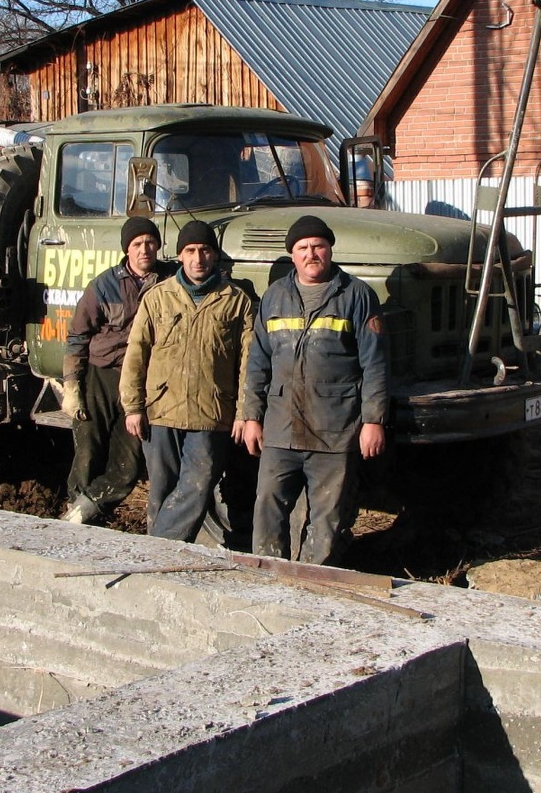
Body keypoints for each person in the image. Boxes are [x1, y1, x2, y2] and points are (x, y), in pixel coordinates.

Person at [242, 215, 389, 565]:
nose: (311, 254)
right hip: (280, 428)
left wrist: (374, 421)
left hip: (333, 430)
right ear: (292, 255)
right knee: (268, 505)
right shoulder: (275, 296)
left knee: (328, 518)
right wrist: (251, 417)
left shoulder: (356, 296)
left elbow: (375, 364)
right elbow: (258, 362)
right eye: (302, 248)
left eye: (318, 246)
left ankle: (313, 581)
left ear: (330, 250)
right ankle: (268, 574)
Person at [121, 219, 254, 542]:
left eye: (205, 250)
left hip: (212, 413)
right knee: (162, 491)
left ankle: (157, 549)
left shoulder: (236, 301)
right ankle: (164, 564)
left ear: (215, 255)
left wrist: (243, 413)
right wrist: (133, 406)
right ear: (180, 256)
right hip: (162, 410)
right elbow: (136, 354)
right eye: (190, 251)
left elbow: (248, 364)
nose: (198, 258)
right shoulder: (157, 298)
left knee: (198, 484)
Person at [60, 217, 174, 524]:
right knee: (88, 450)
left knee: (128, 463)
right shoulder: (103, 285)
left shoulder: (171, 282)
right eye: (137, 244)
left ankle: (88, 508)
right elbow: (78, 336)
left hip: (141, 380)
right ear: (127, 249)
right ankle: (76, 513)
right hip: (101, 375)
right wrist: (73, 386)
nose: (144, 249)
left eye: (150, 242)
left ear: (158, 245)